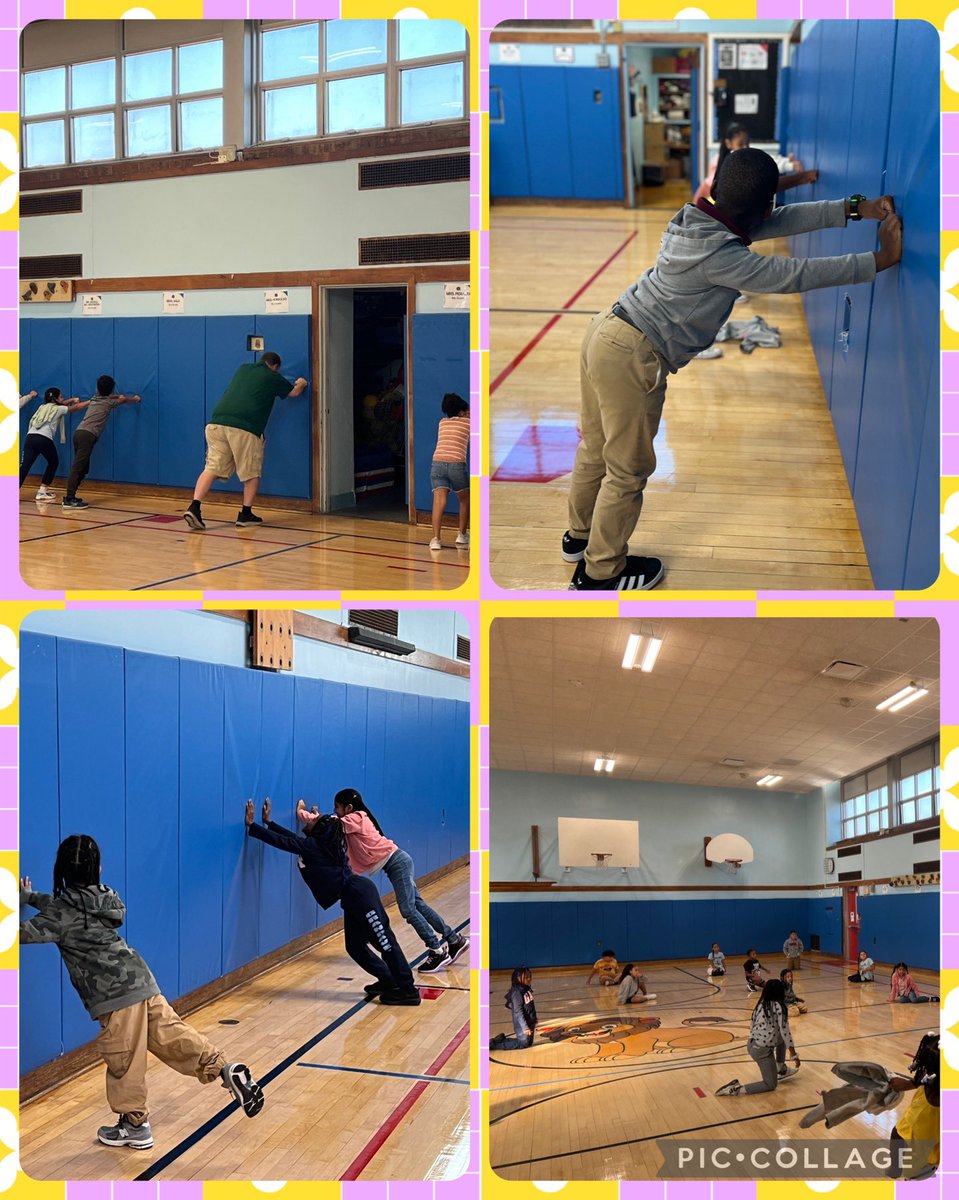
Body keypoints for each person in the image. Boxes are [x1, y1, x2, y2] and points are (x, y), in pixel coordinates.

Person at [562, 148, 902, 590]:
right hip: (632, 355)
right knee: (627, 470)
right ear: (762, 205)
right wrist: (879, 260)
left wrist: (854, 209)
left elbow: (778, 220)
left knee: (596, 447)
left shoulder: (697, 217)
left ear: (717, 187)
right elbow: (793, 274)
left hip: (605, 331)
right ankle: (599, 573)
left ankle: (579, 536)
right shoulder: (724, 256)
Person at [19, 835, 263, 1151]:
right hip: (141, 980)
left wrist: (26, 900)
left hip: (114, 996)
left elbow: (28, 931)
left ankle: (135, 1125)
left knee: (125, 1060)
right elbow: (63, 909)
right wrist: (32, 897)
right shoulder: (105, 898)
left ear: (60, 870)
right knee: (172, 1036)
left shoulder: (60, 915)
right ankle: (223, 1068)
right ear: (99, 869)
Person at [246, 798, 420, 1005]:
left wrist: (252, 826)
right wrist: (269, 823)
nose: (309, 819)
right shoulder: (316, 845)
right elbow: (293, 840)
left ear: (318, 829)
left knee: (384, 941)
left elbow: (286, 843)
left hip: (361, 896)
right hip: (353, 897)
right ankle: (388, 980)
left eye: (313, 819)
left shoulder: (314, 846)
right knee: (355, 947)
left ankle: (408, 990)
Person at [294, 790, 468, 974]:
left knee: (408, 910)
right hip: (397, 863)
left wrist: (303, 814)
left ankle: (437, 951)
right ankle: (454, 940)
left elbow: (329, 824)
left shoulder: (356, 818)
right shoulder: (352, 821)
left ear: (349, 807)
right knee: (418, 905)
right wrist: (316, 817)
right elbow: (328, 825)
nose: (335, 810)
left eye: (337, 807)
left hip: (397, 863)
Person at [184, 352, 308, 531]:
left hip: (216, 425)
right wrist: (302, 383)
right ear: (275, 366)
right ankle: (245, 514)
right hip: (245, 429)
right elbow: (294, 392)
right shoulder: (273, 377)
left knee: (211, 467)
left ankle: (194, 507)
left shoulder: (243, 369)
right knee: (251, 472)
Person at [62, 376, 141, 510]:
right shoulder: (109, 403)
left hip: (79, 433)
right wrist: (136, 399)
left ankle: (71, 496)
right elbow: (124, 400)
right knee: (78, 467)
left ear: (97, 389)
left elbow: (115, 397)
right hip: (87, 435)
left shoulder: (94, 399)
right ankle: (69, 499)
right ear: (111, 391)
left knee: (83, 468)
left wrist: (116, 396)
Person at [692, 121, 818, 205]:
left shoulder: (730, 158)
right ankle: (803, 178)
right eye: (740, 144)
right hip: (717, 205)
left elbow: (765, 161)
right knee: (762, 185)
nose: (745, 147)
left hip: (719, 204)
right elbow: (764, 168)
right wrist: (790, 166)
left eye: (747, 143)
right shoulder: (733, 162)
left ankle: (802, 178)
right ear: (728, 144)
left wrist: (787, 161)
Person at [715, 978, 801, 1096]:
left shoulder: (761, 1004)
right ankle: (736, 1090)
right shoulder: (780, 1007)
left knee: (781, 1039)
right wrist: (793, 1054)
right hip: (762, 1051)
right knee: (770, 1084)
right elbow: (786, 1032)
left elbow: (754, 1025)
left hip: (752, 1044)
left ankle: (780, 1068)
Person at [20, 386, 89, 500]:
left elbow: (61, 404)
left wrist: (71, 399)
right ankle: (42, 490)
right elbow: (76, 407)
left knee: (24, 467)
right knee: (53, 462)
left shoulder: (42, 407)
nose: (62, 398)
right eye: (61, 396)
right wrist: (90, 401)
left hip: (30, 438)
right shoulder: (59, 409)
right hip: (44, 439)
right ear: (55, 399)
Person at [886, 1032, 939, 1180]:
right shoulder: (936, 1086)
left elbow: (897, 1134)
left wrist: (895, 1168)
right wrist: (911, 1083)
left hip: (924, 1169)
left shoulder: (927, 1105)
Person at [429, 392, 470, 552]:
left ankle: (435, 539)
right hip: (456, 465)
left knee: (439, 501)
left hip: (437, 463)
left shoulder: (442, 422)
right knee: (465, 499)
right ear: (461, 412)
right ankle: (461, 535)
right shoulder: (469, 424)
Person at [490, 967, 537, 1050]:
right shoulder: (517, 993)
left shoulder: (526, 989)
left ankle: (501, 1040)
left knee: (528, 1042)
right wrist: (525, 1027)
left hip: (530, 1021)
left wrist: (534, 1019)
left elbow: (530, 1006)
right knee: (523, 1043)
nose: (529, 979)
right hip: (521, 1024)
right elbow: (518, 1012)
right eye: (526, 977)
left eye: (530, 976)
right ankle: (494, 1046)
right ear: (518, 978)